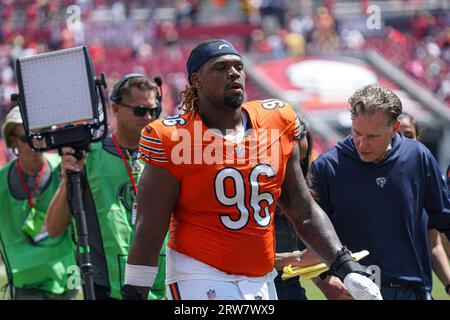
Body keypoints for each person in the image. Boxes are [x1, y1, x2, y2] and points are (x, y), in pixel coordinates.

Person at [123, 39, 382, 300]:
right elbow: (150, 231)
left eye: (238, 66)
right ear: (196, 81)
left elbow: (302, 211)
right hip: (200, 275)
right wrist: (134, 294)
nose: (234, 73)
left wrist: (346, 267)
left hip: (260, 278)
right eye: (221, 67)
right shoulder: (174, 137)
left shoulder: (277, 121)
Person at [310, 84, 450, 300]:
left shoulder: (418, 157)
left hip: (413, 292)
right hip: (355, 293)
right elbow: (308, 233)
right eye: (357, 133)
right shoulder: (327, 167)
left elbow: (445, 219)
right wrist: (325, 281)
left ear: (394, 128)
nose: (362, 144)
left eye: (373, 136)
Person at [45, 74, 167, 300]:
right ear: (116, 108)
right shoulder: (88, 156)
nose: (149, 118)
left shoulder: (165, 156)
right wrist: (67, 180)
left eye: (154, 111)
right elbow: (53, 227)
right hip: (105, 288)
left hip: (158, 287)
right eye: (140, 111)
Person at [0, 106, 77, 300]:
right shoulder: (1, 181)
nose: (34, 143)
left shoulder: (66, 168)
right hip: (24, 278)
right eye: (26, 139)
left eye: (40, 135)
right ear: (12, 142)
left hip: (66, 275)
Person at [398, 112, 450, 298]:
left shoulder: (430, 183)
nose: (403, 141)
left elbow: (434, 245)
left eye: (409, 135)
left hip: (420, 288)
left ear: (418, 138)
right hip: (379, 285)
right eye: (398, 135)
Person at [273, 118, 321, 300]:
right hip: (255, 291)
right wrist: (298, 258)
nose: (293, 175)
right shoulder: (251, 190)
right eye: (287, 164)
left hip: (291, 289)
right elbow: (241, 259)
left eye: (299, 164)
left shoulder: (303, 189)